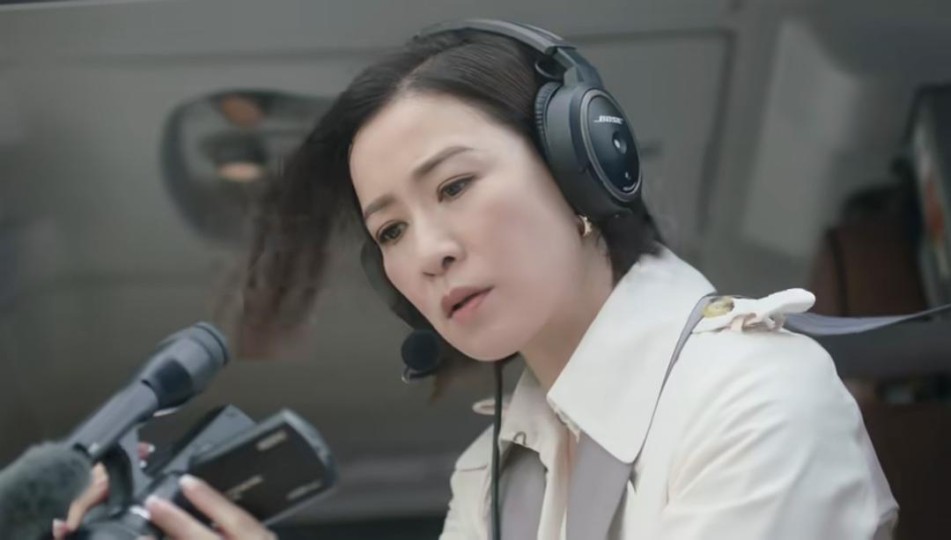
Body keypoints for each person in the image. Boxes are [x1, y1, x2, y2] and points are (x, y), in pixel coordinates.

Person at [58, 19, 897, 540]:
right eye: (390, 230)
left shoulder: (750, 396)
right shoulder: (491, 476)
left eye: (454, 186)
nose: (425, 252)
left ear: (580, 170)